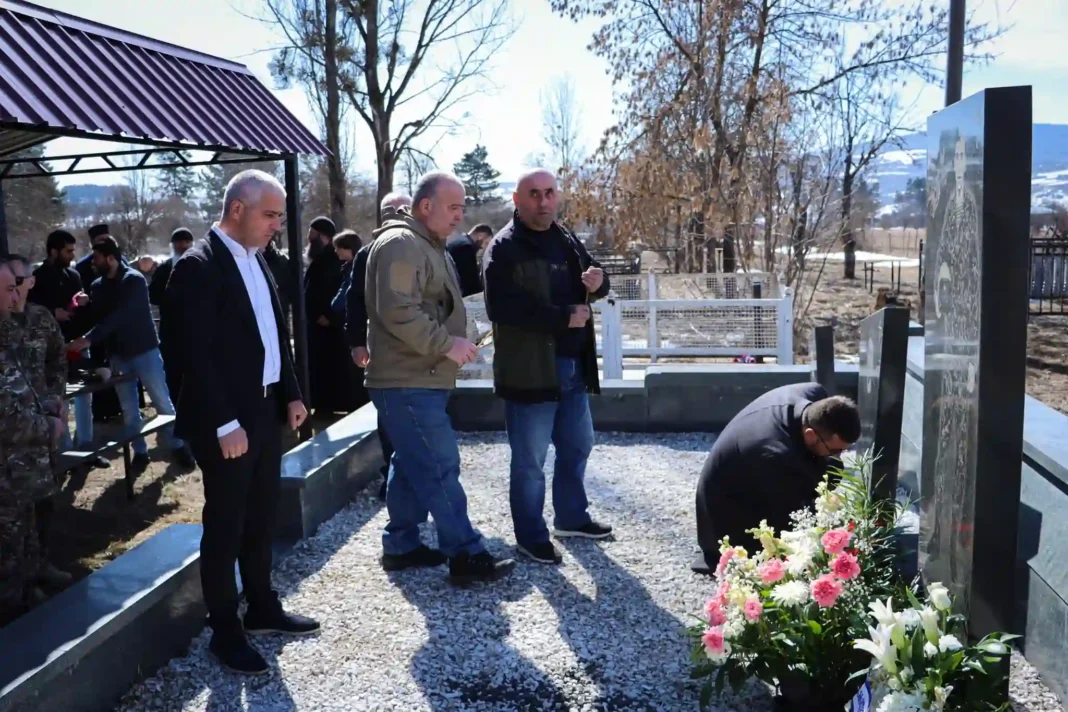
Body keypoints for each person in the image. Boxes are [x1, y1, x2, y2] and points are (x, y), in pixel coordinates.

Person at [166, 169, 317, 675]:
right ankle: (225, 632)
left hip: (265, 408)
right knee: (225, 526)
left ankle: (262, 608)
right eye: (271, 214)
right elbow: (193, 359)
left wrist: (292, 395)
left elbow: (276, 335)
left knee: (261, 517)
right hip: (225, 420)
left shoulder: (258, 260)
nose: (278, 224)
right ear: (238, 210)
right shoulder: (198, 267)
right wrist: (223, 423)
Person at [365, 171, 514, 583]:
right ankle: (465, 554)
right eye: (453, 207)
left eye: (462, 207)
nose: (459, 215)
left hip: (419, 376)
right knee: (439, 463)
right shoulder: (402, 244)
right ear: (425, 206)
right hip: (408, 378)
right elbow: (397, 310)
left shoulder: (426, 244)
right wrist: (447, 344)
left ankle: (402, 544)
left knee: (412, 460)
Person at [482, 169, 613, 565]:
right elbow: (500, 308)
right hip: (529, 370)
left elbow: (596, 283)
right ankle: (530, 535)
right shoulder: (503, 247)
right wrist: (561, 317)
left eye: (549, 193)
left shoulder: (566, 238)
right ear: (517, 201)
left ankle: (571, 517)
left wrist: (600, 283)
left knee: (577, 445)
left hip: (573, 365)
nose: (543, 202)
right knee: (530, 461)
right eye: (534, 194)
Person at [692, 383, 860, 574]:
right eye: (836, 450)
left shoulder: (812, 394)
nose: (841, 455)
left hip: (754, 474)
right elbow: (794, 517)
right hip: (728, 518)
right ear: (810, 435)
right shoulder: (774, 454)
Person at [68, 238, 194, 472]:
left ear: (110, 258)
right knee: (128, 408)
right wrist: (85, 304)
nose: (93, 263)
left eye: (96, 258)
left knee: (161, 401)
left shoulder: (134, 281)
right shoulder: (97, 286)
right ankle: (140, 451)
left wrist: (89, 338)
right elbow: (100, 316)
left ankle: (178, 446)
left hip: (144, 350)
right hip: (118, 355)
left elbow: (119, 316)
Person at [0, 257, 64, 625]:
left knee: (28, 530)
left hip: (23, 465)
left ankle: (29, 589)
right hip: (9, 466)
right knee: (7, 552)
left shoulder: (16, 327)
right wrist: (46, 427)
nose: (15, 298)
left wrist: (50, 402)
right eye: (9, 289)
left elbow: (29, 380)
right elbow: (6, 416)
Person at [348, 192, 410, 499]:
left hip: (424, 354)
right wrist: (357, 343)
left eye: (403, 209)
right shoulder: (368, 254)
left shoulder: (426, 249)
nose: (397, 214)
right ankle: (393, 477)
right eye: (390, 210)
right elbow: (354, 302)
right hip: (384, 352)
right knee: (389, 417)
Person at [29, 230, 104, 467]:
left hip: (77, 343)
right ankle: (65, 453)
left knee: (85, 398)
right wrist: (52, 313)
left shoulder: (73, 275)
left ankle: (86, 448)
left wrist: (83, 303)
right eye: (68, 251)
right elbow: (28, 309)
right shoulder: (36, 278)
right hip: (50, 351)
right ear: (54, 251)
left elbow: (81, 310)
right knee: (59, 401)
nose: (73, 256)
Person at [303, 216, 348, 414]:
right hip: (316, 325)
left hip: (330, 327)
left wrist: (329, 315)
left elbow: (341, 290)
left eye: (312, 233)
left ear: (322, 236)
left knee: (332, 368)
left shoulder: (334, 259)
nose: (308, 237)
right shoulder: (319, 259)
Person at [150, 228, 195, 404]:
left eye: (187, 242)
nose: (183, 246)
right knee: (173, 373)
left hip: (196, 330)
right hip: (171, 331)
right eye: (180, 242)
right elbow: (153, 295)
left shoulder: (202, 264)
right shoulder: (165, 268)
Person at [446, 223, 494, 297]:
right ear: (480, 236)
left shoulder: (458, 241)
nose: (484, 248)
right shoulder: (466, 247)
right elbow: (470, 279)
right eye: (486, 243)